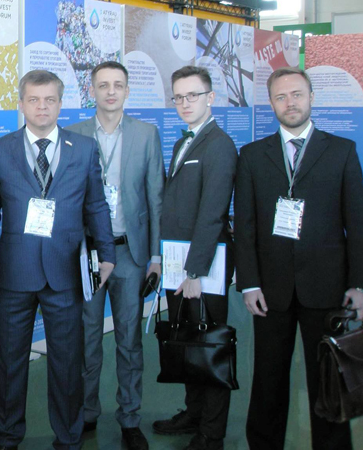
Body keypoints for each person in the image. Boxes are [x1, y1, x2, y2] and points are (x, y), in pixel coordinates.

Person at [0, 69, 116, 450]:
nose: (42, 107)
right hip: (15, 273)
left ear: (60, 104)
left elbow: (96, 205)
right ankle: (7, 436)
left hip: (65, 271)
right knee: (9, 363)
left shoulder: (84, 148)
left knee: (67, 363)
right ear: (21, 104)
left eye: (50, 100)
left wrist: (106, 254)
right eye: (34, 100)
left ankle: (69, 437)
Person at [235, 67, 363, 450]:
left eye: (296, 94)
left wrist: (358, 284)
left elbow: (357, 224)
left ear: (311, 98)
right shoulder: (253, 156)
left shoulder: (341, 151)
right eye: (281, 96)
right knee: (268, 378)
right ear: (271, 103)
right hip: (270, 290)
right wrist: (249, 282)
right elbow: (245, 226)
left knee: (327, 377)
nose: (289, 103)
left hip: (327, 288)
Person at [66, 61, 164, 450]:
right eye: (103, 85)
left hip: (130, 255)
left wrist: (155, 256)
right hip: (88, 255)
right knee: (87, 340)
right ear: (91, 90)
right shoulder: (73, 134)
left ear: (127, 91)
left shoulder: (146, 134)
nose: (110, 92)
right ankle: (87, 412)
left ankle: (130, 418)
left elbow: (156, 199)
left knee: (129, 341)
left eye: (118, 85)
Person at [151, 66, 237, 450]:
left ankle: (211, 433)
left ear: (210, 97)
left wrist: (195, 271)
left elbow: (213, 213)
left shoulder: (219, 145)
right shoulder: (183, 142)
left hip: (202, 265)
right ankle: (193, 413)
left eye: (193, 95)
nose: (185, 103)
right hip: (177, 261)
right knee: (187, 339)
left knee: (211, 344)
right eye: (179, 97)